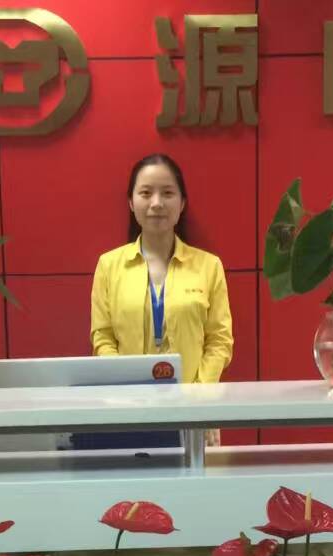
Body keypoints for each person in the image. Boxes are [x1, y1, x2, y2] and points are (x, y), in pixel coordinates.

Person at [90, 154, 234, 384]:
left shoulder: (209, 266)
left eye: (167, 193)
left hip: (194, 401)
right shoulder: (108, 266)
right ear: (131, 202)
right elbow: (103, 338)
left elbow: (219, 341)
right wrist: (125, 389)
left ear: (182, 203)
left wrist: (197, 394)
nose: (157, 203)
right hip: (129, 401)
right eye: (146, 193)